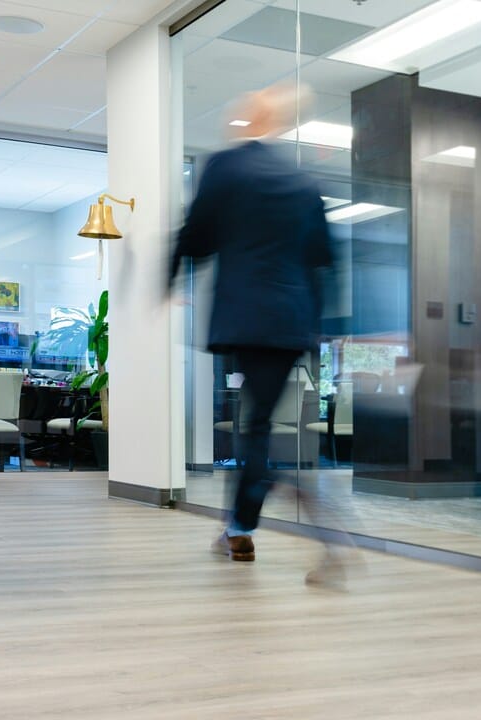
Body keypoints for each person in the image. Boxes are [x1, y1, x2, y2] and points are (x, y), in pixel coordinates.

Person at [169, 85, 346, 579]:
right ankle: (238, 530)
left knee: (255, 434)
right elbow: (325, 260)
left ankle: (322, 530)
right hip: (292, 321)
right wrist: (315, 329)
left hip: (246, 318)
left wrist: (168, 278)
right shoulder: (302, 182)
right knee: (258, 427)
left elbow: (195, 235)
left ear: (252, 120)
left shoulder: (227, 166)